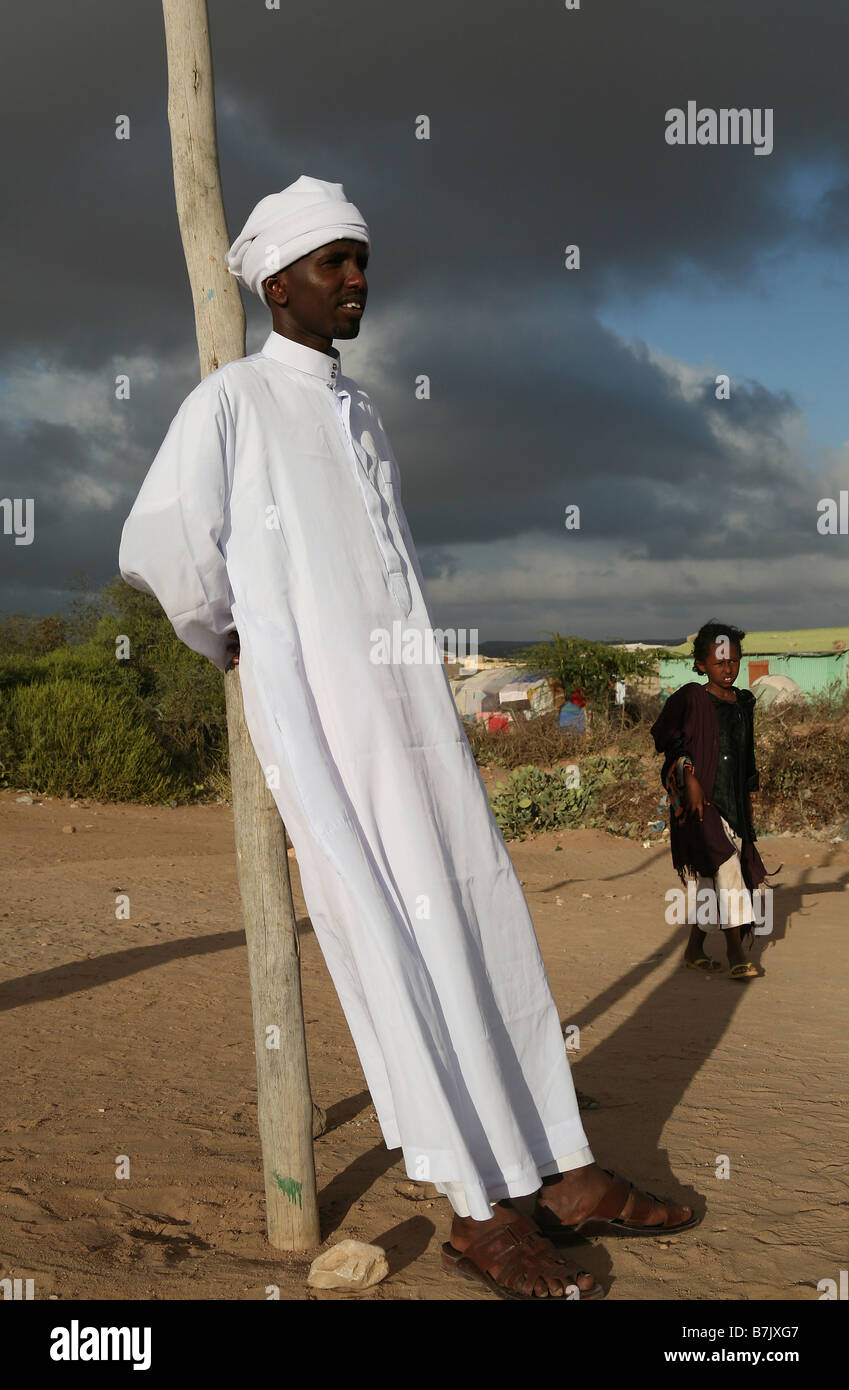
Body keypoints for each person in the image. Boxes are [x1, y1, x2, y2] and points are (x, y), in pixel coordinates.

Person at [119, 175, 699, 1300]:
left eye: (363, 261)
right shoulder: (231, 402)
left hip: (414, 710)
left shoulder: (362, 410)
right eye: (335, 263)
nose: (357, 281)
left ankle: (559, 1173)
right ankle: (478, 1210)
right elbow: (162, 545)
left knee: (481, 914)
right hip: (325, 716)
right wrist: (233, 636)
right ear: (277, 280)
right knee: (385, 935)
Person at [651, 621, 767, 980]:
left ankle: (693, 948)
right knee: (728, 867)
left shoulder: (743, 703)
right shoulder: (691, 698)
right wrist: (690, 778)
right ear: (701, 665)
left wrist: (748, 799)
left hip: (733, 802)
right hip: (700, 805)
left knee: (708, 879)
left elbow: (746, 756)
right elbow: (668, 740)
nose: (727, 669)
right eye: (719, 663)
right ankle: (734, 951)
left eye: (733, 661)